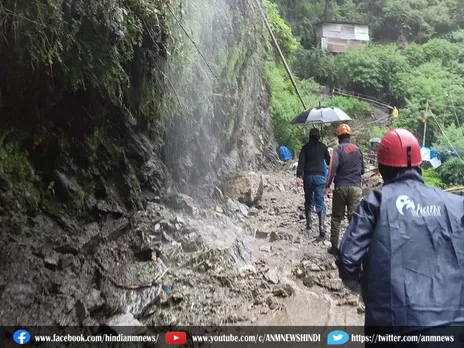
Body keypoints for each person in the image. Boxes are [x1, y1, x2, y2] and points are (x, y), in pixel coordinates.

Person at [336, 129, 464, 342]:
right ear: (418, 164)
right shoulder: (456, 205)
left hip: (393, 327)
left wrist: (366, 290)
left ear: (382, 168)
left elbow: (348, 259)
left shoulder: (376, 202)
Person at [325, 124, 364, 254]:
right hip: (356, 188)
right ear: (349, 136)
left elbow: (332, 168)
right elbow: (362, 170)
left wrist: (327, 186)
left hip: (341, 187)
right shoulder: (358, 150)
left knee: (336, 218)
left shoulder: (338, 150)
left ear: (339, 137)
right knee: (353, 219)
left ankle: (334, 247)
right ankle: (354, 248)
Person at [296, 128, 331, 236]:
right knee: (320, 200)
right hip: (320, 176)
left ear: (310, 136)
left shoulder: (305, 148)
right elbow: (329, 161)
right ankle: (321, 226)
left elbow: (301, 162)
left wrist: (299, 176)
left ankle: (309, 223)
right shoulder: (323, 147)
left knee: (308, 199)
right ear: (319, 136)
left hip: (308, 177)